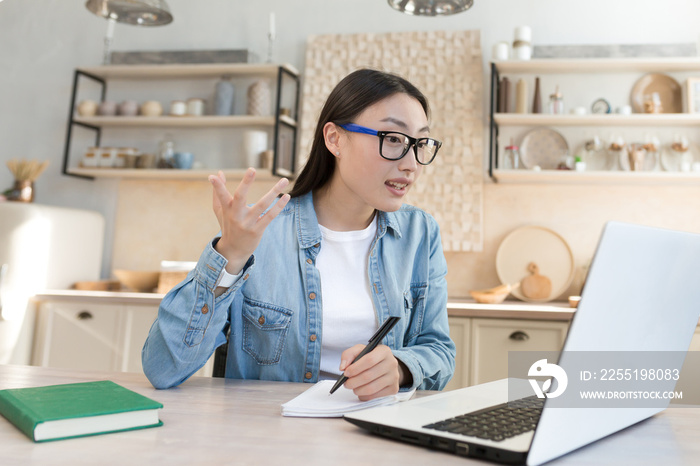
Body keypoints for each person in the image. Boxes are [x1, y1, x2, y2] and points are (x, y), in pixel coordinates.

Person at [142, 68, 456, 400]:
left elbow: (438, 349)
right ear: (335, 139)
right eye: (393, 139)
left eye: (420, 142)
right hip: (270, 438)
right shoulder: (260, 231)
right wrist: (229, 255)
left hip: (377, 432)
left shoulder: (420, 233)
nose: (412, 164)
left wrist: (402, 367)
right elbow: (163, 369)